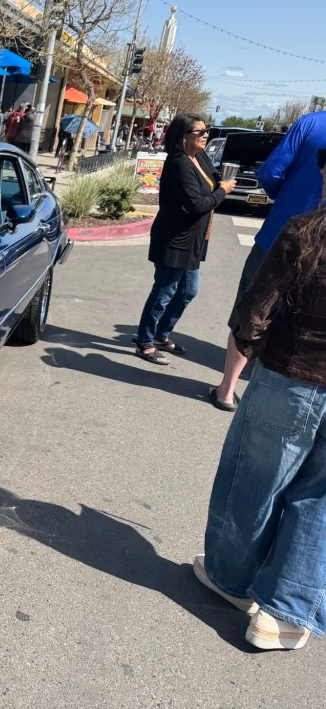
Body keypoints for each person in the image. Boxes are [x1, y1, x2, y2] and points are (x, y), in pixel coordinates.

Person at [195, 190, 326, 650]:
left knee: (252, 482)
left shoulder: (305, 232)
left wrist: (255, 352)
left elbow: (255, 310)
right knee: (319, 500)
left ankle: (232, 580)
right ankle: (283, 615)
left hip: (289, 374)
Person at [211, 110, 326, 410]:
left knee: (252, 309)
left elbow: (271, 172)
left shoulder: (311, 123)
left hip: (281, 234)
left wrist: (286, 195)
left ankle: (226, 391)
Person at [132, 114, 236, 364]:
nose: (206, 135)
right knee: (164, 292)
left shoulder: (200, 156)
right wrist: (223, 191)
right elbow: (196, 204)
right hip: (174, 239)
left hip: (193, 240)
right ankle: (144, 342)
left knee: (188, 291)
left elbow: (212, 184)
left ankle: (161, 335)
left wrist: (219, 186)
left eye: (206, 130)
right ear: (183, 136)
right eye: (200, 132)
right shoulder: (179, 163)